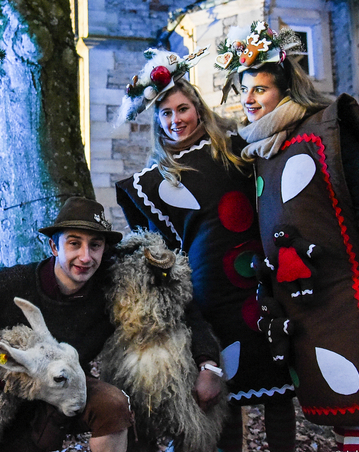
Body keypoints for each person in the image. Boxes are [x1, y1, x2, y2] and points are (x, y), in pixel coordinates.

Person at [216, 20, 359, 452]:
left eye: (260, 89)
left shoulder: (327, 130)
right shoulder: (260, 149)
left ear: (286, 89)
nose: (249, 100)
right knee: (339, 410)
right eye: (243, 90)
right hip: (303, 306)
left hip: (348, 299)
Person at [115, 48, 297, 452]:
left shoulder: (238, 149)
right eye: (166, 113)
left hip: (260, 287)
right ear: (156, 120)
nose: (176, 119)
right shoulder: (150, 185)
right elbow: (159, 258)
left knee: (278, 393)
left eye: (183, 109)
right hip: (208, 298)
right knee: (223, 401)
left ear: (197, 107)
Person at [0, 196, 225, 452]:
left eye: (95, 245)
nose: (85, 256)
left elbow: (181, 309)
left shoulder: (115, 287)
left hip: (69, 389)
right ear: (54, 246)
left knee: (114, 405)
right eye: (74, 243)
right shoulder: (10, 284)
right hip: (6, 403)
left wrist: (208, 364)